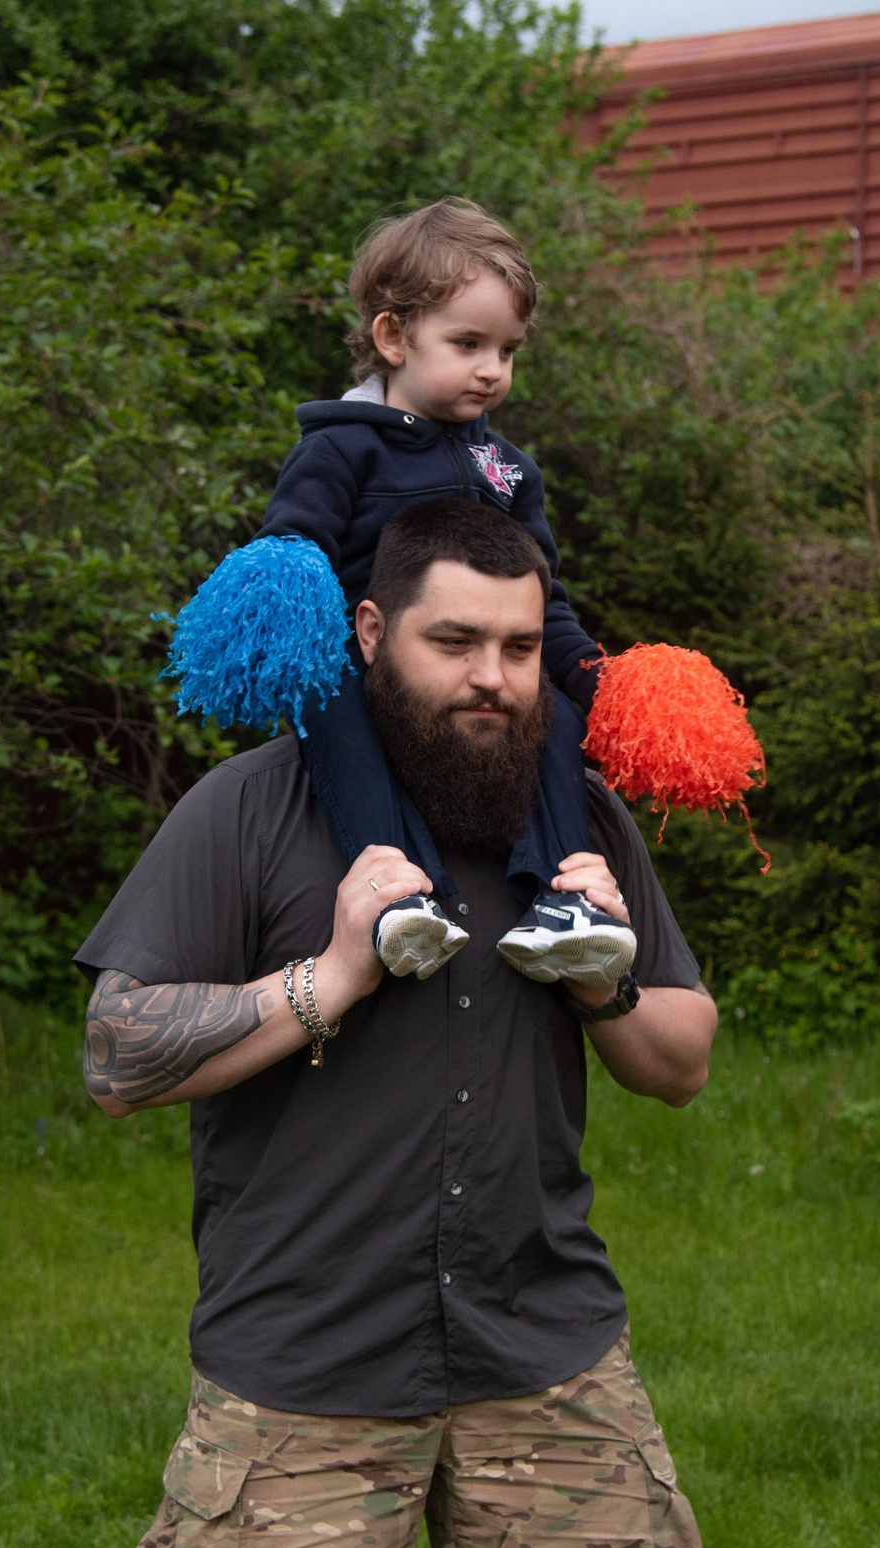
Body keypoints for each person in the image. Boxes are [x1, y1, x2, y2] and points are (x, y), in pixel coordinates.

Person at [78, 497, 717, 1548]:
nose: (492, 679)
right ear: (368, 631)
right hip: (305, 1373)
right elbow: (115, 1052)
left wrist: (609, 986)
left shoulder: (579, 817)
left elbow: (680, 1062)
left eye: (520, 649)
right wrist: (332, 977)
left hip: (547, 1362)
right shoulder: (252, 809)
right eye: (454, 641)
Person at [257, 196, 634, 988]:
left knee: (553, 714)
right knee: (332, 703)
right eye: (468, 343)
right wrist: (298, 647)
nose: (492, 369)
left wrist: (599, 681)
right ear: (394, 336)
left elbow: (545, 603)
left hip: (474, 673)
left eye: (508, 348)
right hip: (361, 666)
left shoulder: (510, 469)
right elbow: (293, 561)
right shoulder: (339, 449)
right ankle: (398, 895)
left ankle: (565, 903)